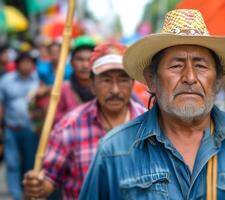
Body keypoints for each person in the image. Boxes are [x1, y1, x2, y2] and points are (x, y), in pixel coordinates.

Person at [79, 9, 225, 199]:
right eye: (176, 65)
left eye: (201, 66)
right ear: (152, 80)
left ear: (218, 81)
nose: (190, 77)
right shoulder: (115, 151)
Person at [22, 43, 147, 199]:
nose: (115, 90)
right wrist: (37, 186)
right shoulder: (69, 125)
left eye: (123, 80)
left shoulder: (149, 124)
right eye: (106, 81)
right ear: (92, 86)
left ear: (132, 84)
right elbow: (50, 177)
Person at [0, 52, 39, 200]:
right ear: (17, 64)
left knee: (30, 163)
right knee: (12, 163)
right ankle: (16, 195)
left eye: (29, 63)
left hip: (30, 129)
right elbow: (1, 104)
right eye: (23, 62)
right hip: (11, 128)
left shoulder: (37, 80)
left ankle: (28, 192)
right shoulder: (6, 80)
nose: (26, 66)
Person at [54, 36, 96, 123]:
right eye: (79, 59)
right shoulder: (62, 90)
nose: (85, 65)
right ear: (71, 62)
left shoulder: (103, 88)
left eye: (89, 60)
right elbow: (55, 119)